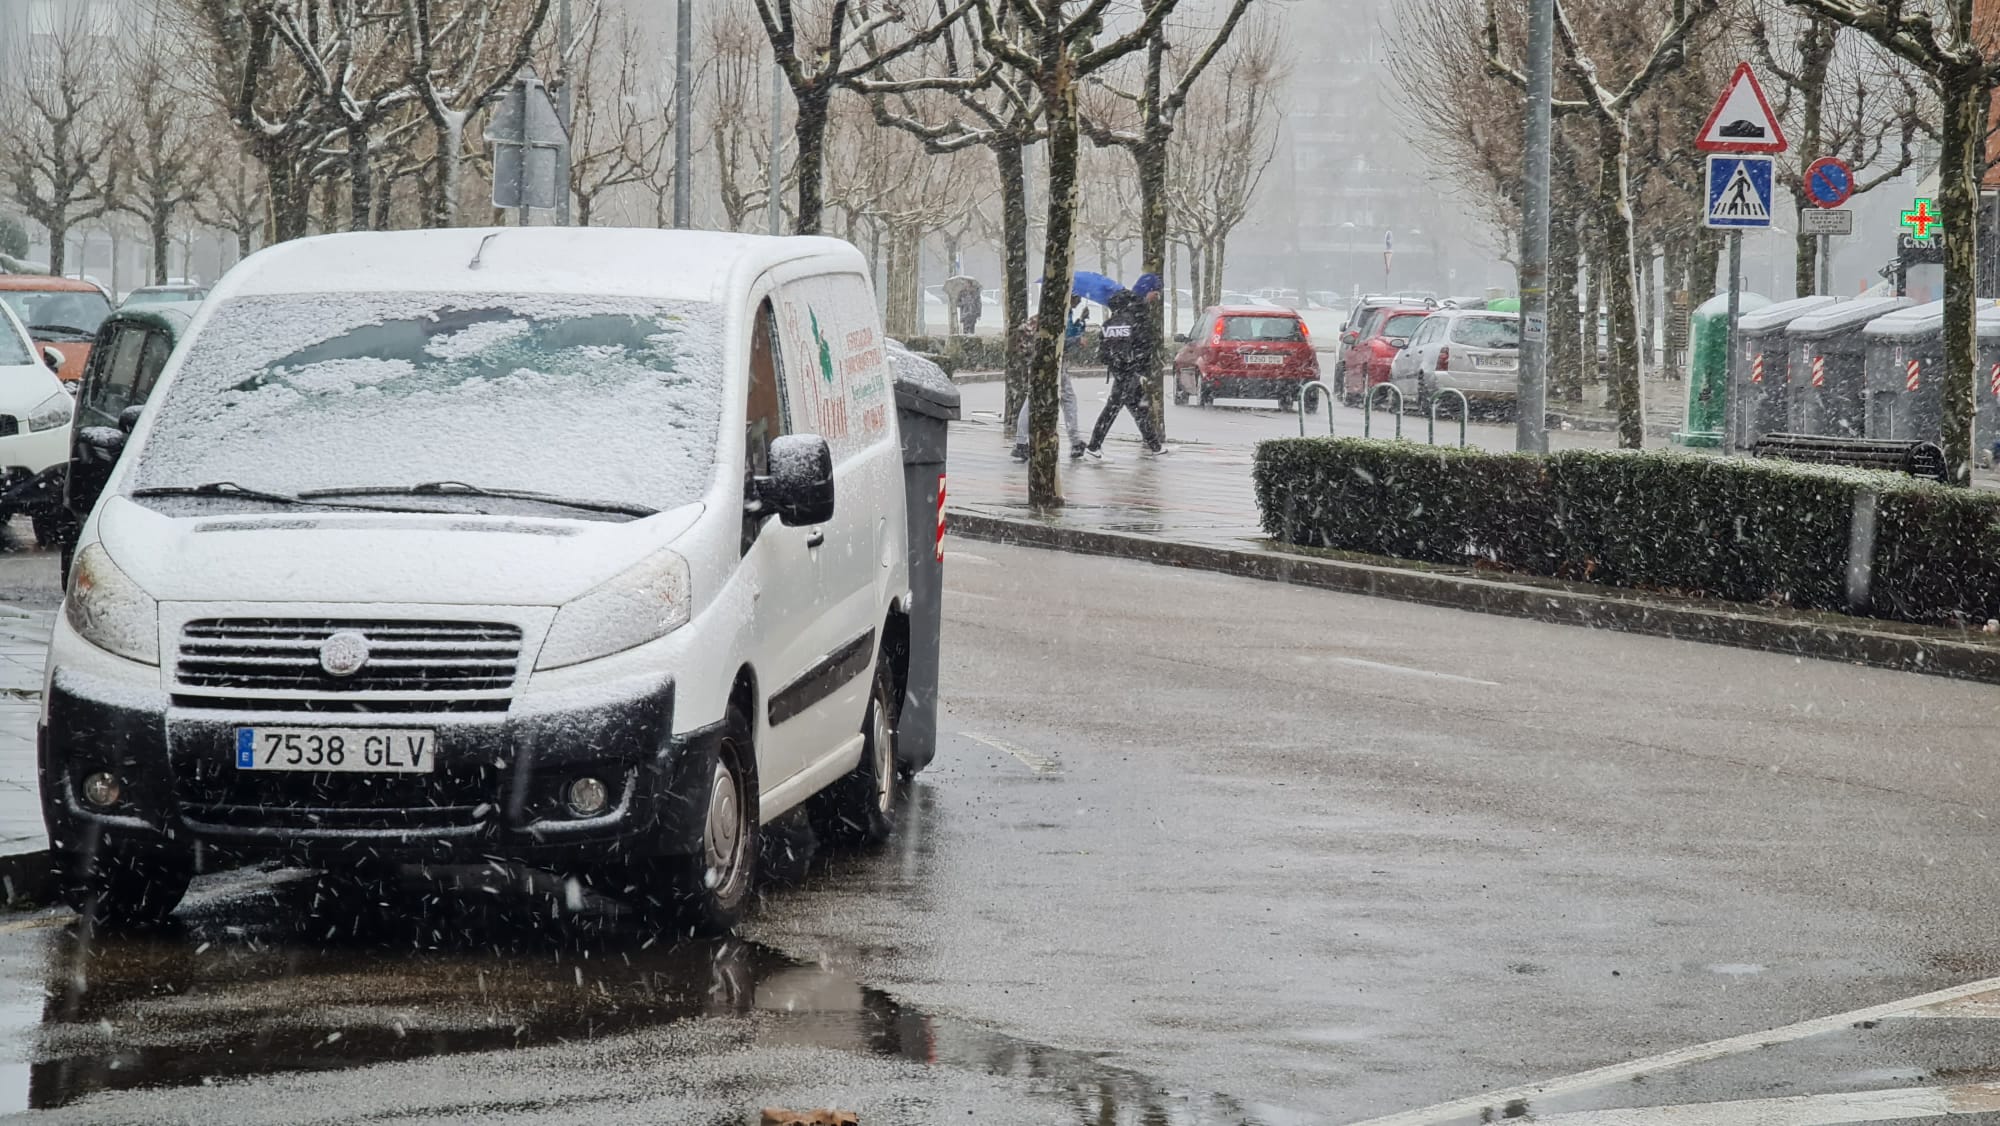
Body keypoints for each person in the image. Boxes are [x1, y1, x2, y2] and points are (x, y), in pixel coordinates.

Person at [1084, 276, 1167, 459]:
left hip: (1124, 366)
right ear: (1147, 290)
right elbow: (1140, 341)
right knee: (1113, 407)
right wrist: (1138, 366)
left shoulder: (1125, 309)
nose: (1157, 297)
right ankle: (1093, 447)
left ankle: (1155, 446)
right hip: (1129, 369)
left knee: (1139, 407)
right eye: (1156, 292)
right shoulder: (1136, 311)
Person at [1012, 312, 1084, 461]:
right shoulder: (1055, 316)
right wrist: (1077, 339)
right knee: (1068, 399)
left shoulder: (1036, 318)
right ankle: (1075, 441)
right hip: (1053, 364)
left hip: (1035, 364)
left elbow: (1024, 343)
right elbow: (1058, 342)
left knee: (1031, 399)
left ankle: (1020, 442)